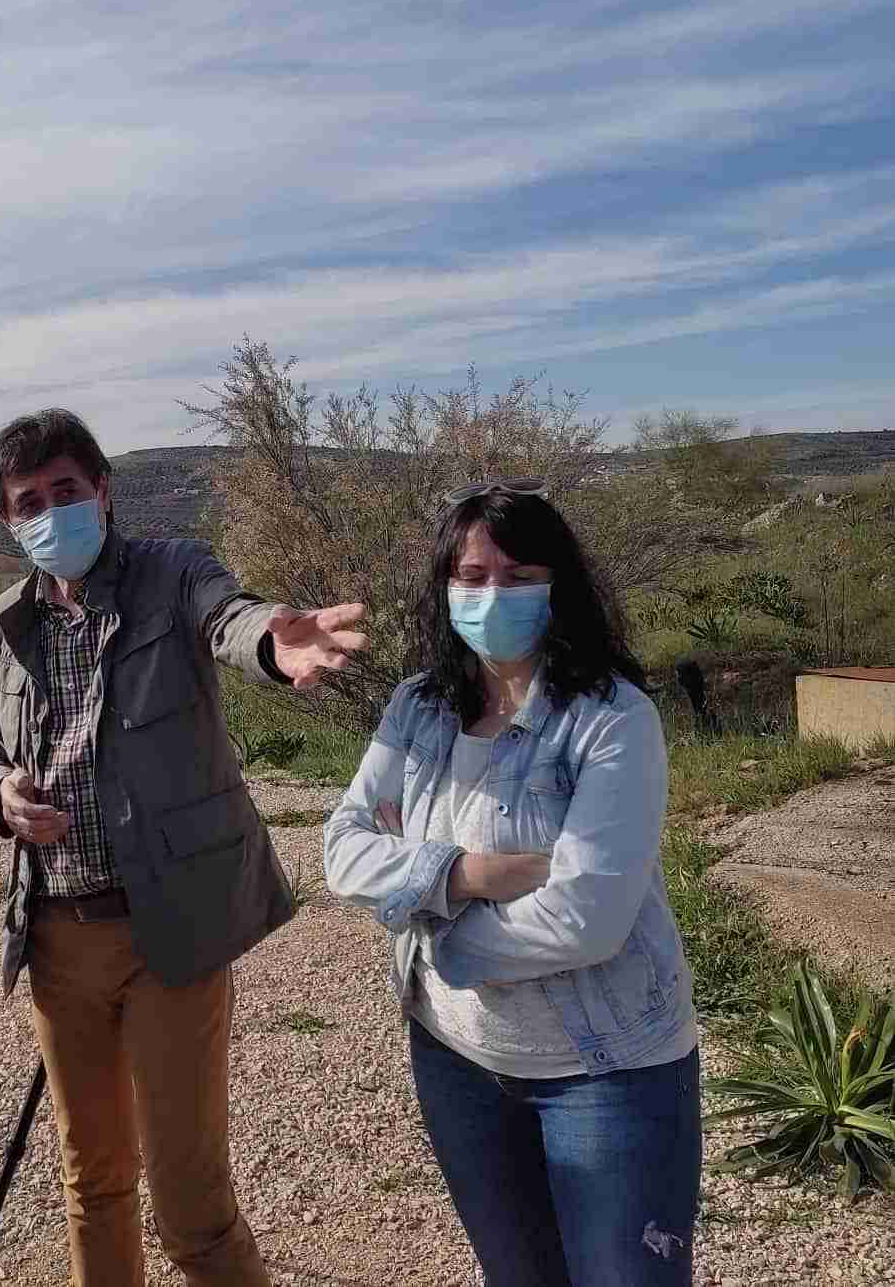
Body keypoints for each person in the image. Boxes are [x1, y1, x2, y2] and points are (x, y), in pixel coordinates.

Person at [0, 409, 366, 1287]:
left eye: (65, 491)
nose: (49, 512)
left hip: (169, 932)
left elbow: (231, 617)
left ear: (103, 491)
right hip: (55, 936)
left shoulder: (171, 572)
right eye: (28, 501)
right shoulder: (5, 623)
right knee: (92, 1181)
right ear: (7, 519)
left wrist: (274, 639)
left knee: (191, 1206)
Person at [324, 479, 700, 1287]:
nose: (493, 594)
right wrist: (467, 872)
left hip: (604, 1071)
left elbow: (588, 919)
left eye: (519, 576)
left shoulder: (611, 718)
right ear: (444, 587)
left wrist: (435, 931)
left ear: (559, 586)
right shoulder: (417, 707)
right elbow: (342, 849)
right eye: (472, 576)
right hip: (458, 1059)